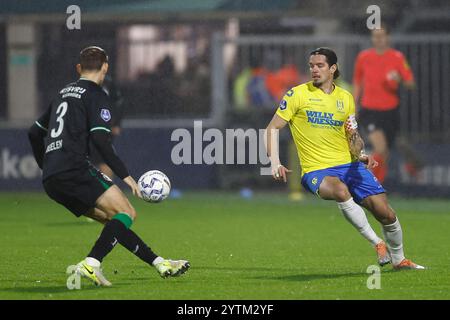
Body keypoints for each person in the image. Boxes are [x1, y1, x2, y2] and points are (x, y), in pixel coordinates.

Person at [27, 46, 190, 287]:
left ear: (79, 68)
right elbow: (100, 141)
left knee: (113, 221)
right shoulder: (96, 95)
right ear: (105, 67)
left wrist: (46, 166)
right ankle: (91, 263)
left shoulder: (61, 94)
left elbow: (33, 133)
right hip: (74, 168)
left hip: (52, 179)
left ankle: (159, 263)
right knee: (127, 213)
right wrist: (126, 175)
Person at [265, 47, 424, 270]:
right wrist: (275, 162)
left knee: (385, 213)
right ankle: (377, 243)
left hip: (349, 166)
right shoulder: (297, 95)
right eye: (311, 65)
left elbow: (352, 136)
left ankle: (399, 260)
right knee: (340, 191)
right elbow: (272, 128)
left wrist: (361, 153)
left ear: (333, 68)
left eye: (320, 65)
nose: (314, 70)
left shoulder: (345, 98)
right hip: (317, 170)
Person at [353, 25, 422, 183]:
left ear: (388, 38)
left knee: (384, 154)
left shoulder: (397, 57)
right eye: (375, 36)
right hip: (369, 110)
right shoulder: (364, 57)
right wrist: (354, 104)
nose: (378, 39)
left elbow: (411, 83)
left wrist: (399, 79)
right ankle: (368, 185)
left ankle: (376, 187)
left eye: (381, 36)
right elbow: (357, 82)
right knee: (380, 148)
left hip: (390, 112)